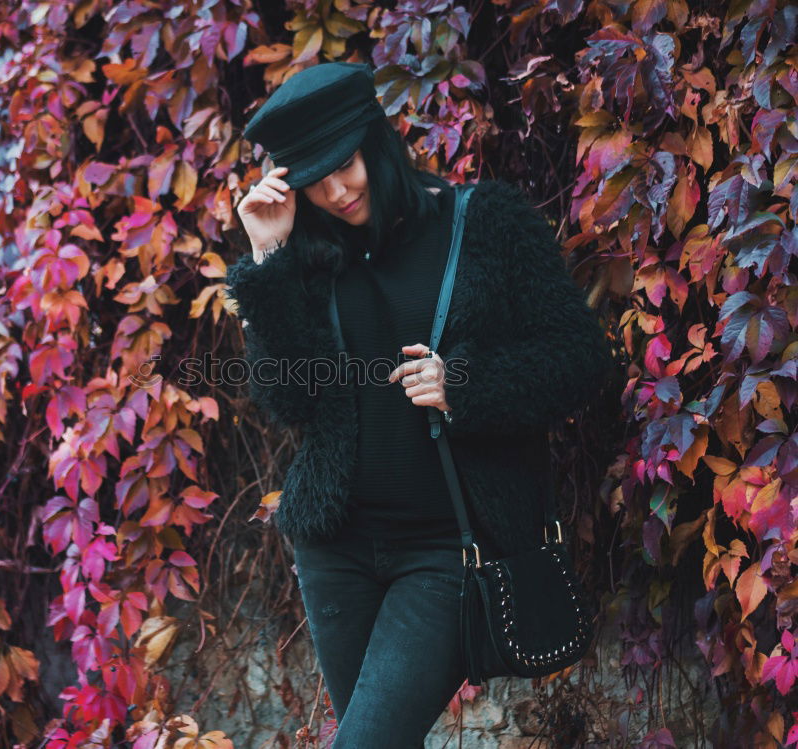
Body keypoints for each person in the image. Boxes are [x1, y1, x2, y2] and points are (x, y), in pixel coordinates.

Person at [224, 62, 611, 747]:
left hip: (444, 550)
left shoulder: (482, 223)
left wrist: (467, 384)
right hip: (335, 551)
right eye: (313, 178)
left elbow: (581, 359)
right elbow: (288, 398)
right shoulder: (307, 256)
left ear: (377, 142)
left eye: (345, 165)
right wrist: (265, 260)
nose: (336, 190)